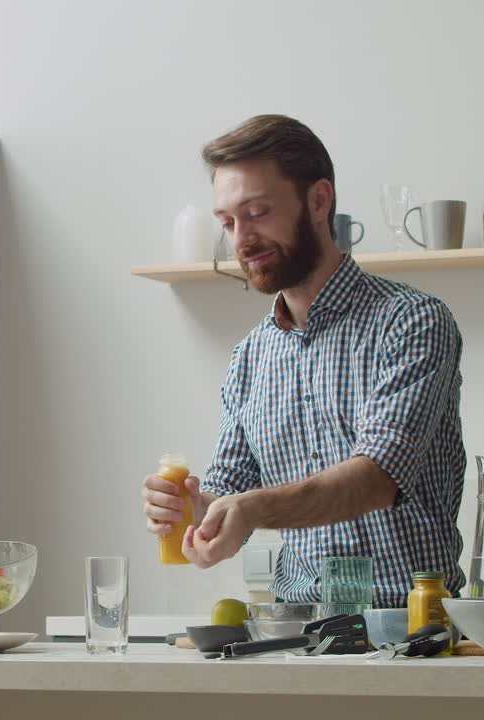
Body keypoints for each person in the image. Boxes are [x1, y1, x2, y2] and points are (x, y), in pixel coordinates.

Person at [141, 115, 466, 608]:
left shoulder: (413, 322)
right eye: (227, 222)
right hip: (298, 631)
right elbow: (231, 493)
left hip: (413, 627)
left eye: (257, 212)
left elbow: (376, 480)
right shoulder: (250, 357)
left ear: (318, 200)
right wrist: (194, 511)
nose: (241, 239)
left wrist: (249, 509)